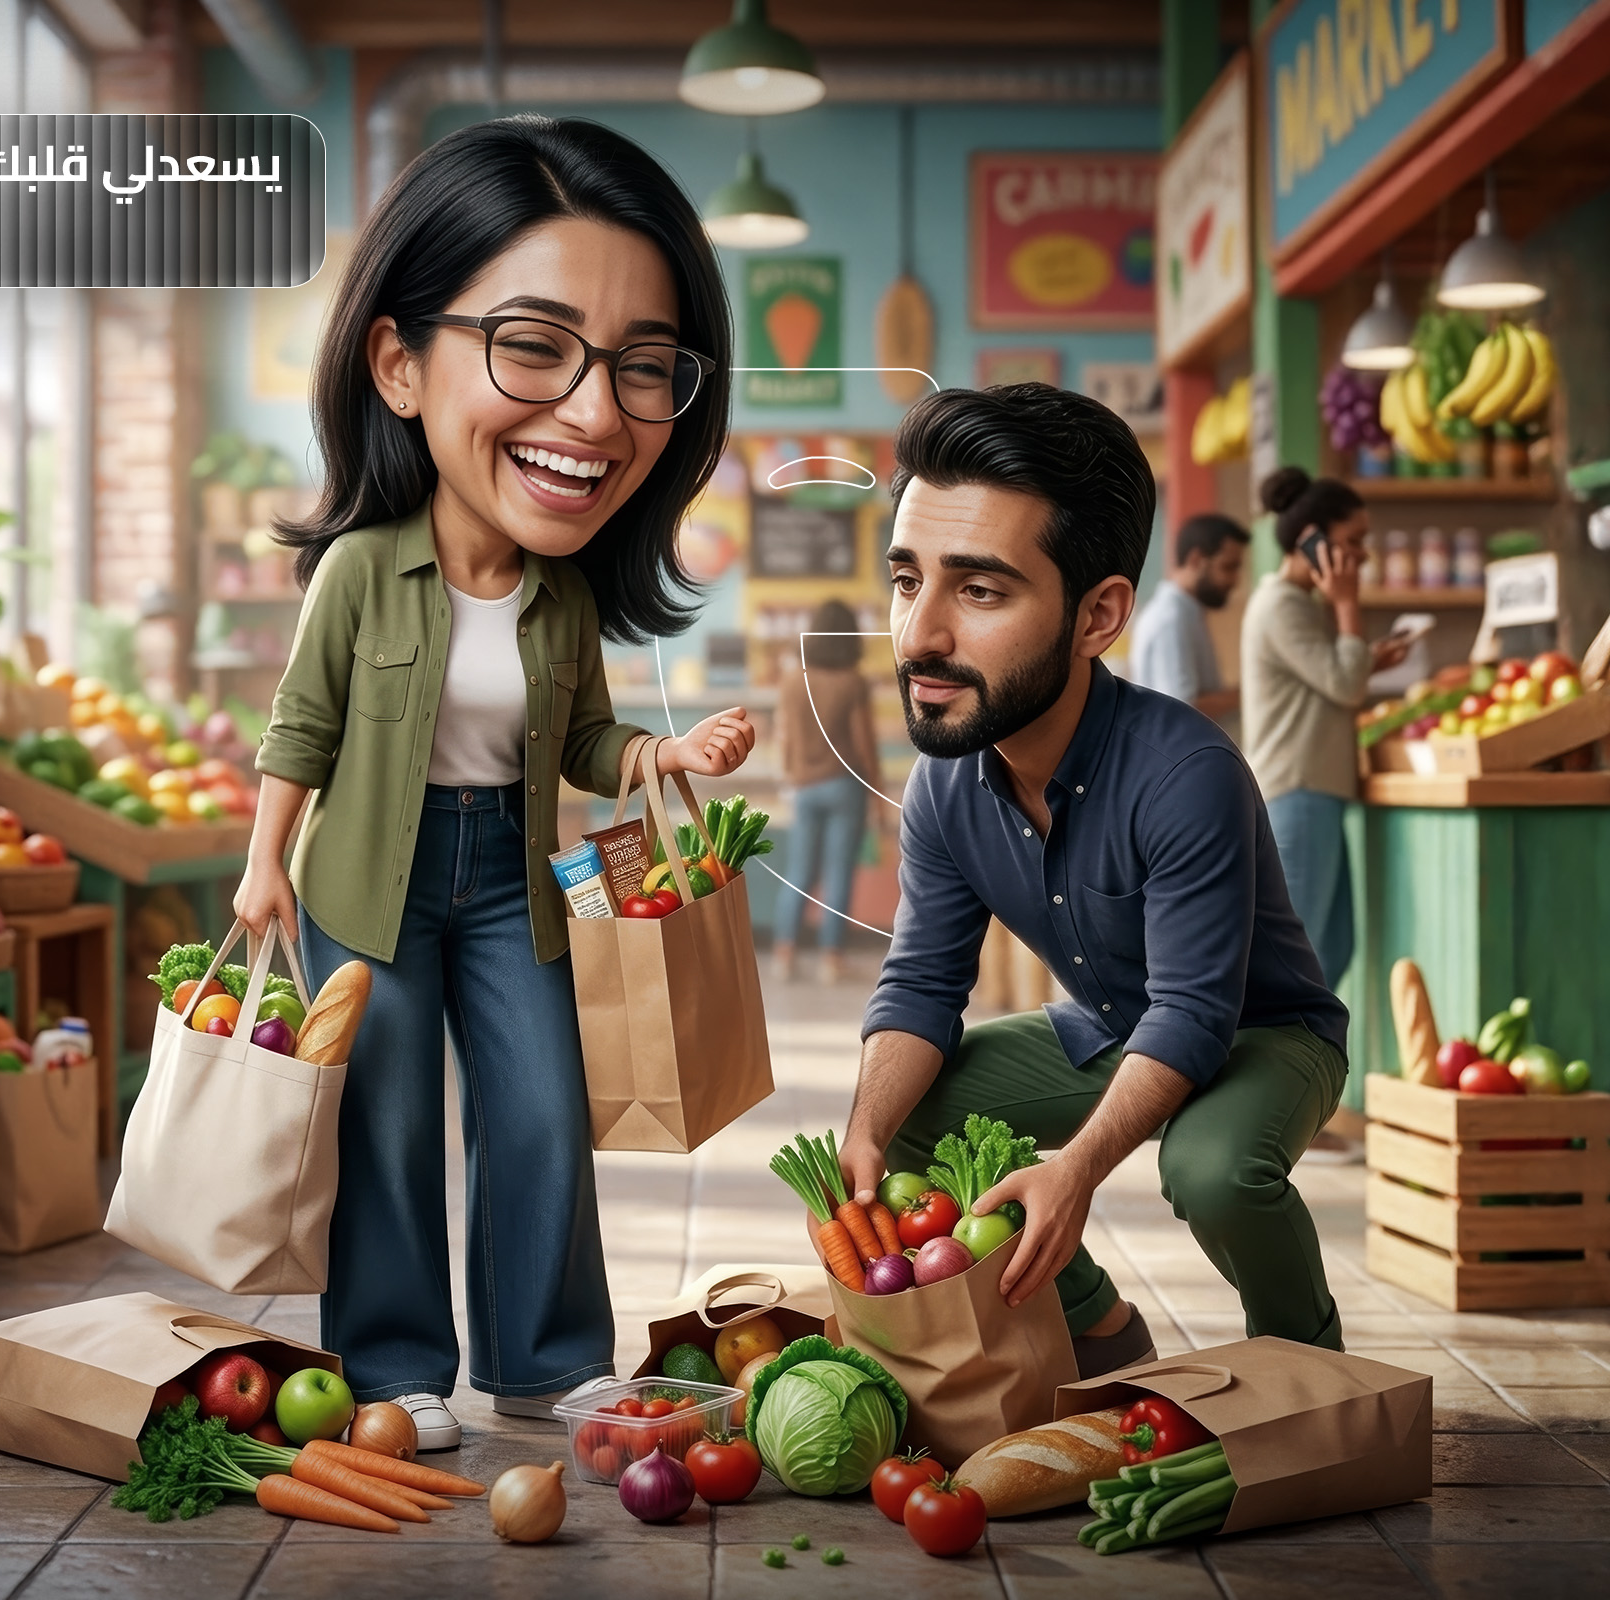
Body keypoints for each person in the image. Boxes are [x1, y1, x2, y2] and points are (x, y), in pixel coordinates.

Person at [235, 117, 755, 1451]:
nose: (596, 414)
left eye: (646, 368)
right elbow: (302, 729)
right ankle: (396, 1366)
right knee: (390, 1120)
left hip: (514, 878)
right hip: (370, 874)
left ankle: (544, 1357)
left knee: (539, 1110)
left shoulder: (565, 596)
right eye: (534, 345)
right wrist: (263, 864)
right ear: (398, 362)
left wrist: (660, 757)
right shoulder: (360, 570)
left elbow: (583, 743)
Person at [841, 383, 1355, 1376]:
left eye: (979, 590)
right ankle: (1098, 1326)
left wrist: (1074, 1171)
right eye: (909, 581)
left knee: (1208, 1169)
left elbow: (1198, 1014)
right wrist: (863, 1128)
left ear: (1099, 615)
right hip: (1117, 1023)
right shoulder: (946, 783)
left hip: (1264, 1034)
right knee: (906, 1116)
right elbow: (918, 986)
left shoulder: (1185, 773)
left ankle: (1316, 1372)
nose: (919, 636)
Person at [1239, 469, 1408, 990]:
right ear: (1313, 539)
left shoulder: (1294, 605)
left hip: (1314, 793)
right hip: (1299, 792)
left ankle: (1312, 1069)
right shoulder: (1282, 606)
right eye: (1353, 541)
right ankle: (1286, 1070)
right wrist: (1347, 602)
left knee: (1331, 951)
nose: (1362, 555)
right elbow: (1344, 685)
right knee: (1300, 963)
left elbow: (1329, 681)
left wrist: (1366, 659)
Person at [773, 597, 880, 986]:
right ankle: (830, 959)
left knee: (799, 871)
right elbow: (864, 743)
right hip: (845, 786)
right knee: (838, 874)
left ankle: (784, 954)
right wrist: (879, 793)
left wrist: (790, 775)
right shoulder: (853, 682)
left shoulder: (791, 679)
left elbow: (784, 737)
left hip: (804, 788)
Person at [1127, 512, 1248, 720]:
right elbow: (1181, 707)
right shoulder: (1170, 619)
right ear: (1196, 560)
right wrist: (1246, 695)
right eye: (1228, 567)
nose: (1235, 581)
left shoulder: (1187, 613)